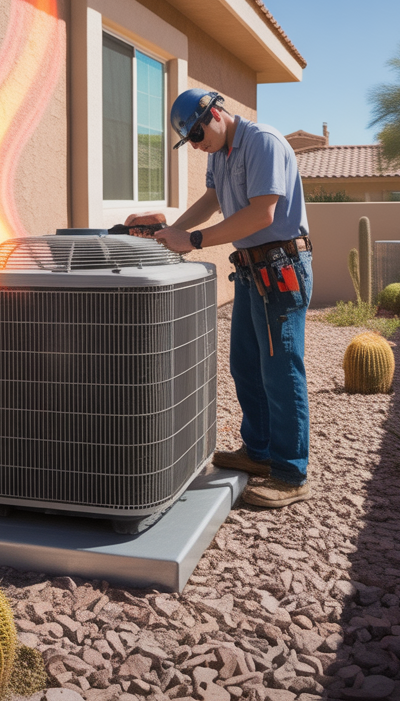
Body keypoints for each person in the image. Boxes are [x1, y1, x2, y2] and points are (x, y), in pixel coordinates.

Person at [127, 89, 312, 508]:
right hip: (251, 268)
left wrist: (191, 241)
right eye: (188, 140)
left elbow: (262, 213)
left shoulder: (262, 141)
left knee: (281, 369)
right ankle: (260, 453)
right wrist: (168, 235)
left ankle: (291, 473)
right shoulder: (219, 153)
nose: (195, 144)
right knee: (246, 364)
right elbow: (212, 201)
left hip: (282, 267)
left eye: (196, 132)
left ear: (215, 113)